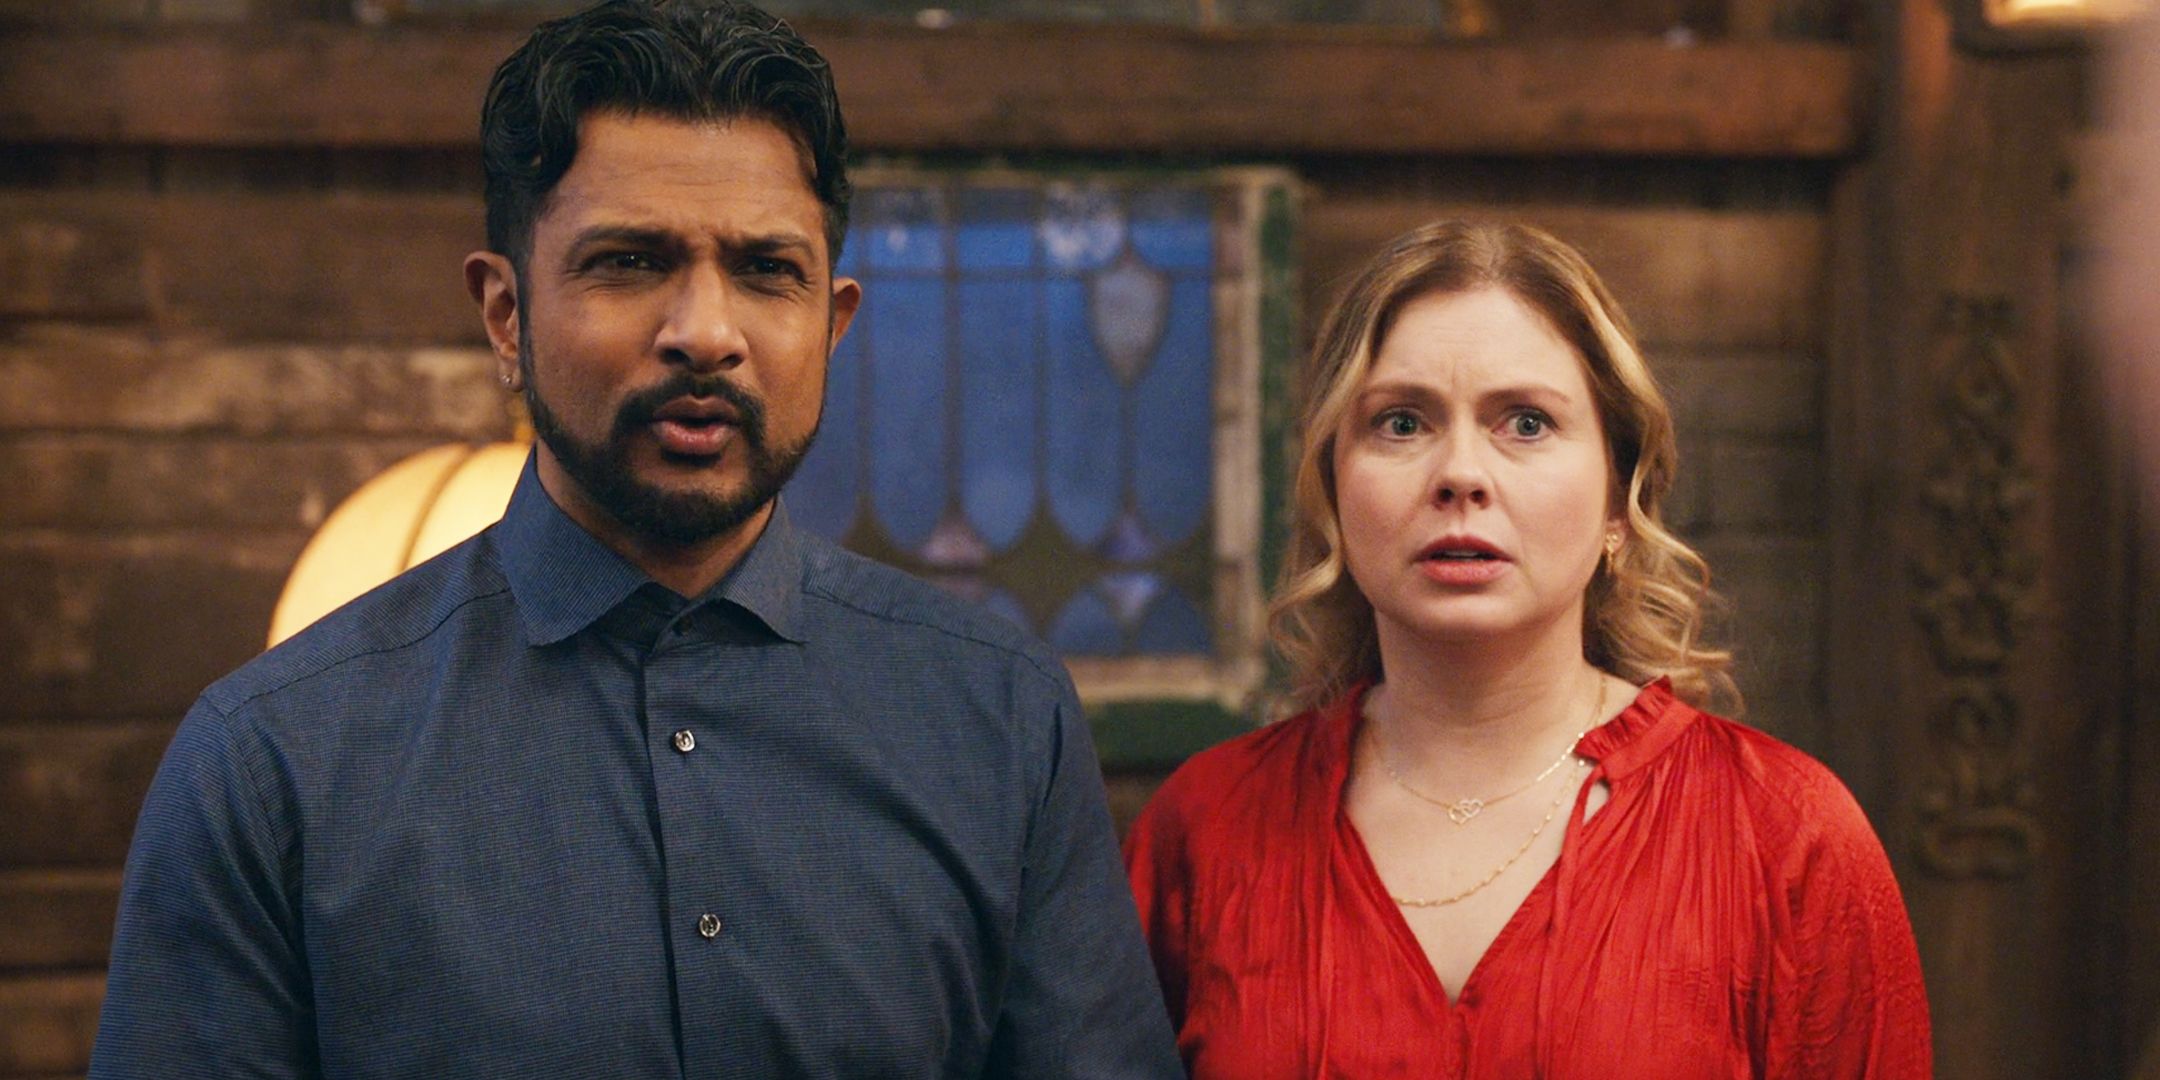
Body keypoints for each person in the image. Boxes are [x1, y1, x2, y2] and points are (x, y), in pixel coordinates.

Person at [90, 2, 1179, 1076]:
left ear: (833, 322)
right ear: (506, 315)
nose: (705, 333)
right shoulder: (275, 760)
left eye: (767, 270)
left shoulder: (996, 717)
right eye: (629, 261)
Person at [1123, 220, 1930, 1077]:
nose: (1460, 474)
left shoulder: (1785, 834)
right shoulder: (1205, 830)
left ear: (1619, 498)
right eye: (1402, 422)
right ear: (1331, 485)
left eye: (1528, 423)